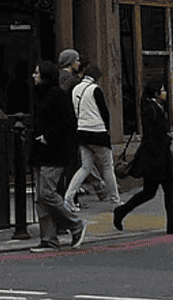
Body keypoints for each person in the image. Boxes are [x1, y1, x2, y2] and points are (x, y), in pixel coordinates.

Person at [113, 81, 173, 235]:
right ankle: (123, 211)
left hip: (159, 156)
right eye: (162, 90)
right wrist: (165, 139)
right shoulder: (150, 109)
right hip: (156, 158)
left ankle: (123, 211)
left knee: (153, 192)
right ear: (156, 93)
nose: (165, 93)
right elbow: (150, 136)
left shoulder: (157, 108)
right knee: (160, 190)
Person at [28, 60, 87, 252]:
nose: (33, 76)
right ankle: (49, 239)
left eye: (37, 73)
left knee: (47, 193)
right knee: (40, 198)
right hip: (40, 152)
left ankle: (75, 223)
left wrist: (48, 137)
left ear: (45, 75)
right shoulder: (39, 94)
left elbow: (68, 123)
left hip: (54, 152)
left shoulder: (57, 95)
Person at [63, 63, 120, 210]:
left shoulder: (75, 89)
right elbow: (104, 112)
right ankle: (115, 199)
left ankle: (68, 197)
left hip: (81, 131)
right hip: (97, 131)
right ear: (96, 78)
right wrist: (107, 129)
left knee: (85, 167)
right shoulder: (95, 89)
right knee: (107, 167)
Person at [57, 50, 108, 208]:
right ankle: (71, 199)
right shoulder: (70, 80)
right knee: (74, 164)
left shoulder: (62, 77)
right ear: (70, 62)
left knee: (81, 163)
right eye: (76, 60)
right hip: (72, 126)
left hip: (67, 126)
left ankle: (72, 197)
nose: (78, 63)